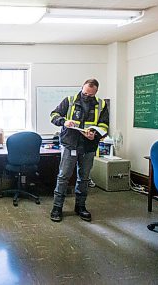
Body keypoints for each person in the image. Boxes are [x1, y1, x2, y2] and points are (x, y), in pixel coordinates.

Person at [49, 79, 109, 222]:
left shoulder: (101, 104)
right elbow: (53, 115)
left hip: (88, 147)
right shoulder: (69, 100)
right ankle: (57, 208)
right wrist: (64, 122)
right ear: (82, 88)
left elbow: (104, 126)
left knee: (84, 178)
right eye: (85, 92)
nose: (86, 96)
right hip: (70, 144)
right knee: (63, 177)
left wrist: (94, 132)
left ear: (96, 92)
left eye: (90, 94)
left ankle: (80, 206)